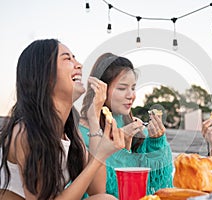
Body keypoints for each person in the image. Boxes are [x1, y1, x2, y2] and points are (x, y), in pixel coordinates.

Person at [0, 39, 125, 200]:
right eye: (67, 58)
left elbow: (97, 190)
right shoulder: (26, 133)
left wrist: (94, 122)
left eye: (75, 58)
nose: (79, 65)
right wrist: (99, 156)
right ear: (44, 74)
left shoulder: (70, 133)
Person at [79, 53, 173, 198]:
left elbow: (160, 182)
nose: (131, 95)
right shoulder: (80, 131)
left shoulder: (134, 126)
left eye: (133, 88)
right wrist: (121, 147)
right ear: (100, 90)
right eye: (122, 88)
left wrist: (157, 141)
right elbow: (97, 190)